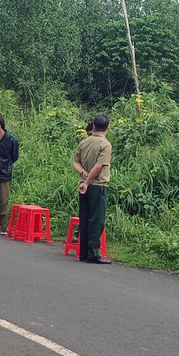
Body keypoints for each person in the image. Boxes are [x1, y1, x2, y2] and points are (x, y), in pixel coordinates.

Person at [72, 113, 113, 264]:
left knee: (85, 218)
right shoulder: (105, 145)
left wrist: (83, 174)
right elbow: (99, 166)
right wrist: (88, 182)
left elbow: (76, 162)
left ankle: (83, 253)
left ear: (94, 126)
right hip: (97, 186)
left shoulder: (84, 142)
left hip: (83, 184)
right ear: (108, 126)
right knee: (96, 220)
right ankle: (94, 253)